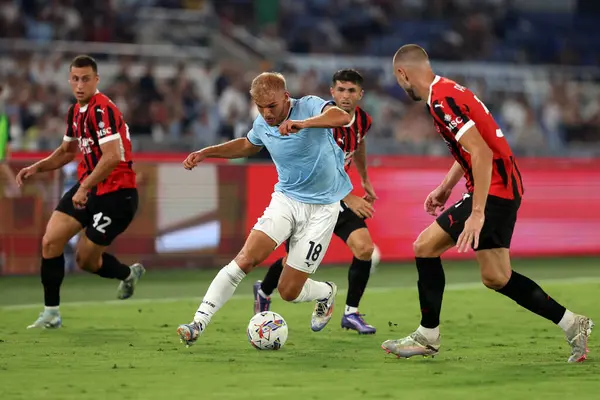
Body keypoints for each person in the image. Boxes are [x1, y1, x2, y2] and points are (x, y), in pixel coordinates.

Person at [381, 44, 593, 363]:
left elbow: (482, 153)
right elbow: (473, 146)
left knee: (424, 246)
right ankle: (572, 323)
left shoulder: (441, 101)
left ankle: (427, 335)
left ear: (402, 73)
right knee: (496, 276)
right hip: (502, 186)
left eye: (399, 81)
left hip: (495, 189)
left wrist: (477, 212)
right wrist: (444, 188)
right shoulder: (450, 91)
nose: (401, 87)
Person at [176, 72, 375, 347]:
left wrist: (302, 124)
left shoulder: (309, 106)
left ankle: (326, 292)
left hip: (323, 209)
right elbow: (248, 144)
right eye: (260, 107)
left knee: (288, 291)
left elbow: (343, 118)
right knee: (245, 259)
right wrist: (207, 152)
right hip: (286, 201)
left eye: (271, 106)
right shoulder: (262, 123)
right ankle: (198, 322)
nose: (267, 113)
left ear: (285, 96)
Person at [16, 55, 145, 329]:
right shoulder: (75, 112)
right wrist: (36, 168)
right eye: (75, 79)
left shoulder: (103, 110)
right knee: (50, 241)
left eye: (85, 78)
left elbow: (112, 157)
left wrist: (84, 186)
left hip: (117, 194)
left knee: (86, 260)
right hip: (89, 186)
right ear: (69, 80)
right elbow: (66, 152)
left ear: (96, 80)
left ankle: (127, 274)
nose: (79, 84)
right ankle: (51, 313)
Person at [253, 69, 379, 334]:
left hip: (339, 199)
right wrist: (349, 196)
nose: (346, 96)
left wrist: (365, 179)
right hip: (314, 199)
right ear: (332, 93)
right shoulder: (321, 121)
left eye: (351, 91)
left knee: (364, 249)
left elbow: (359, 145)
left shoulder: (364, 120)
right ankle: (264, 290)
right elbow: (319, 165)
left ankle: (351, 313)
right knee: (291, 263)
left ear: (360, 94)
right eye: (341, 90)